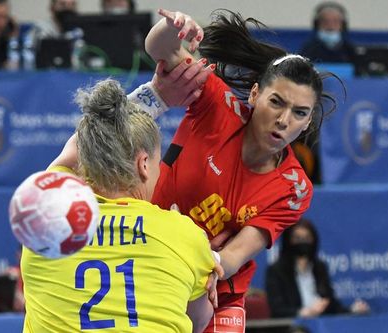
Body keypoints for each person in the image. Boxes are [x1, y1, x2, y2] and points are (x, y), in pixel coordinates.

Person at [51, 7, 338, 332]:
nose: (285, 120)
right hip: (155, 259)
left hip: (219, 290)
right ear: (256, 94)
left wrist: (201, 258)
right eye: (276, 102)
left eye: (300, 113)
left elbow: (232, 257)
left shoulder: (294, 188)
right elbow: (161, 50)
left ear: (308, 121)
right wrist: (173, 28)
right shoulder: (217, 105)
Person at [22, 79, 219, 333]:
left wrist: (156, 94)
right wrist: (203, 263)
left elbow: (74, 149)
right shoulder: (185, 235)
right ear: (144, 164)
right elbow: (198, 323)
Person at [265, 218, 370, 318]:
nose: (303, 242)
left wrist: (352, 311)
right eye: (297, 238)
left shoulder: (320, 268)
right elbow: (277, 309)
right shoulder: (276, 271)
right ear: (288, 241)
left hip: (321, 325)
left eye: (307, 238)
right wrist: (302, 312)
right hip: (293, 326)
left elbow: (331, 304)